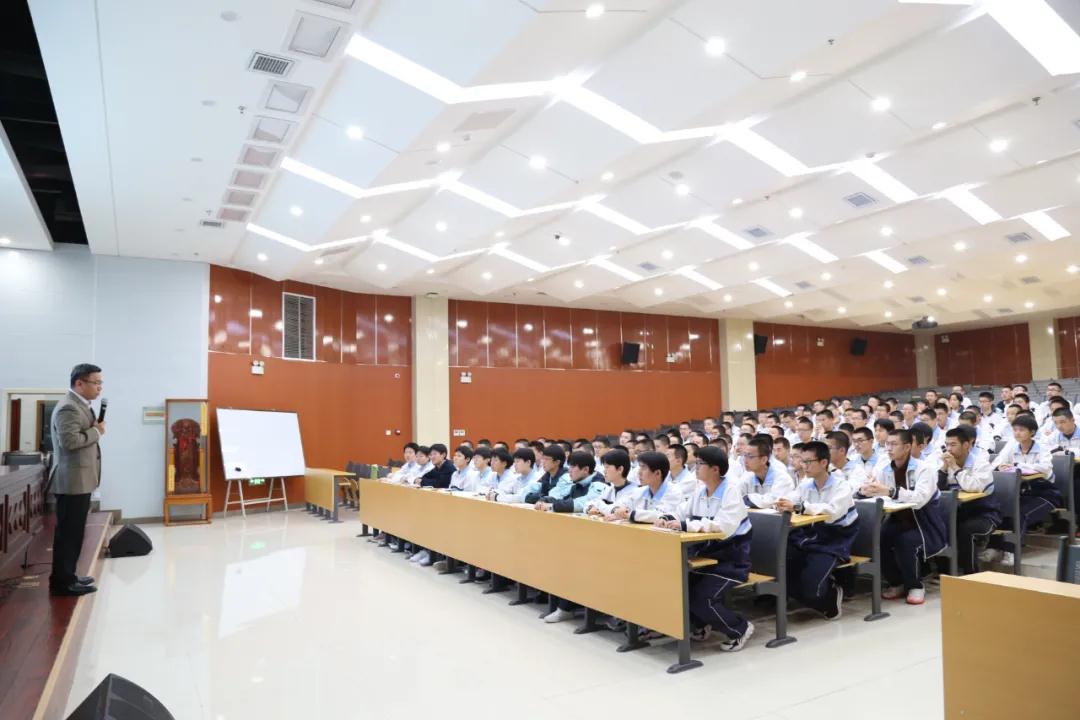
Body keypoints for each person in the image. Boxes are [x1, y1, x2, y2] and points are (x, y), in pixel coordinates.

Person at [652, 446, 754, 650]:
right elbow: (681, 511)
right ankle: (699, 624)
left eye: (700, 464)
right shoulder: (701, 490)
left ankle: (740, 628)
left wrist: (685, 525)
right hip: (705, 559)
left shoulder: (731, 491)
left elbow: (723, 527)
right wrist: (667, 518)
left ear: (715, 469)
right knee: (680, 588)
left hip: (731, 562)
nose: (695, 468)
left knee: (702, 597)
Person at [861, 429, 947, 605]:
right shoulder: (885, 467)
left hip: (924, 521)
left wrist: (890, 491)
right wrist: (868, 489)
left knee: (906, 541)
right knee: (878, 539)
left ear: (907, 447)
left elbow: (920, 500)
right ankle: (896, 582)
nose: (889, 448)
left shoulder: (925, 469)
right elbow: (876, 488)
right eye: (887, 444)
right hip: (896, 518)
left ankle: (915, 586)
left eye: (894, 444)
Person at [776, 441, 858, 620]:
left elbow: (832, 512)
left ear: (823, 462)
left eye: (808, 462)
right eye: (802, 461)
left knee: (811, 588)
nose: (803, 466)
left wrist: (799, 506)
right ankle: (818, 594)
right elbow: (792, 499)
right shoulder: (806, 484)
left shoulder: (841, 486)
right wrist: (782, 503)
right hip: (809, 537)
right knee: (780, 569)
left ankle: (832, 593)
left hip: (834, 540)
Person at [49, 363, 106, 597]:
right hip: (73, 481)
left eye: (101, 383)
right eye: (96, 383)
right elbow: (70, 442)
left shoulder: (81, 406)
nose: (100, 387)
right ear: (79, 383)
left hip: (79, 480)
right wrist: (97, 432)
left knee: (74, 532)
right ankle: (63, 582)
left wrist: (94, 430)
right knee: (68, 534)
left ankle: (69, 576)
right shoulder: (68, 407)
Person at [940, 427, 999, 575]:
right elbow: (937, 490)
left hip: (984, 513)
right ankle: (945, 572)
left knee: (966, 530)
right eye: (947, 445)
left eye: (953, 445)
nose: (949, 449)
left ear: (966, 445)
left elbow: (974, 487)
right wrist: (944, 469)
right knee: (939, 525)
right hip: (958, 512)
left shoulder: (980, 463)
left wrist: (955, 467)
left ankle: (971, 574)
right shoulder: (946, 463)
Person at [991, 414, 1059, 532]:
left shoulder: (1042, 447)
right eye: (1015, 430)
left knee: (1021, 515)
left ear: (1032, 432)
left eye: (1021, 430)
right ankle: (1001, 543)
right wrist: (999, 467)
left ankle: (1014, 544)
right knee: (1002, 511)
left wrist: (1018, 465)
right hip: (1022, 493)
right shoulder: (1012, 446)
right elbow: (995, 464)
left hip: (1045, 493)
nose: (1017, 433)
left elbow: (1045, 468)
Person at [607, 451, 682, 524]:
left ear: (657, 473)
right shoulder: (639, 491)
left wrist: (629, 514)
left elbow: (660, 515)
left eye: (644, 468)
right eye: (640, 467)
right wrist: (617, 510)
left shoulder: (674, 493)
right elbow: (618, 505)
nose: (639, 472)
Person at [741, 435, 794, 509]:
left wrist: (747, 498)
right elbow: (736, 496)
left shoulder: (782, 478)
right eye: (745, 455)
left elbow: (774, 501)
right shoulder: (747, 476)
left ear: (764, 460)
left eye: (750, 456)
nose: (745, 460)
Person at [584, 449, 639, 517]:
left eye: (607, 467)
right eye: (604, 467)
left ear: (620, 469)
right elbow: (590, 503)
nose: (604, 471)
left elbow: (618, 509)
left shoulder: (635, 491)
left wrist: (600, 506)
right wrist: (591, 508)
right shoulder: (610, 489)